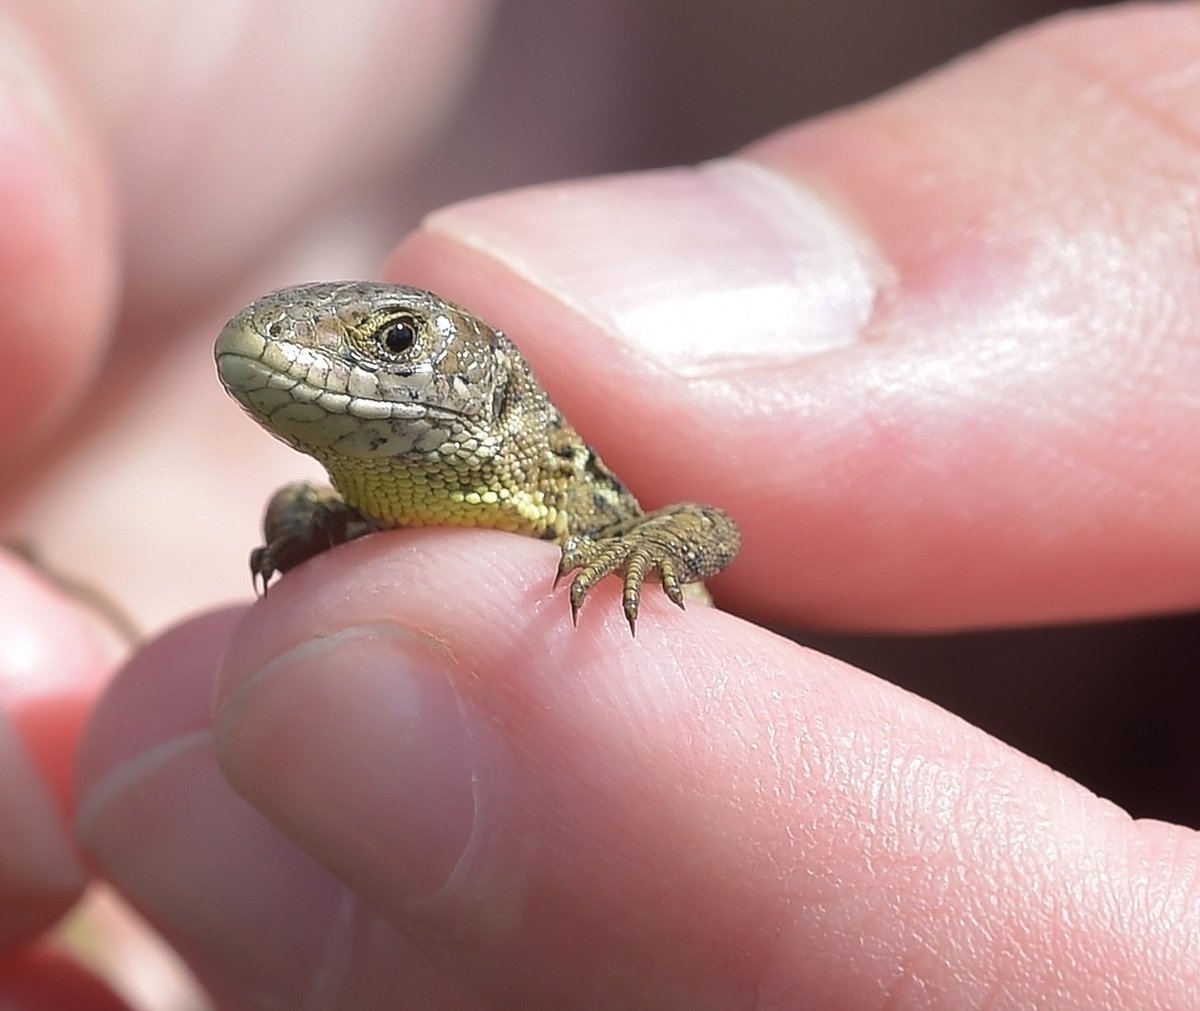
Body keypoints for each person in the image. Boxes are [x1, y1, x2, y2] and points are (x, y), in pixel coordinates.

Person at [3, 2, 1198, 1007]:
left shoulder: (585, 504)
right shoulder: (357, 505)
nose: (290, 350)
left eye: (395, 341)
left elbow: (711, 531)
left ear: (488, 387)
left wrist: (645, 544)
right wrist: (302, 524)